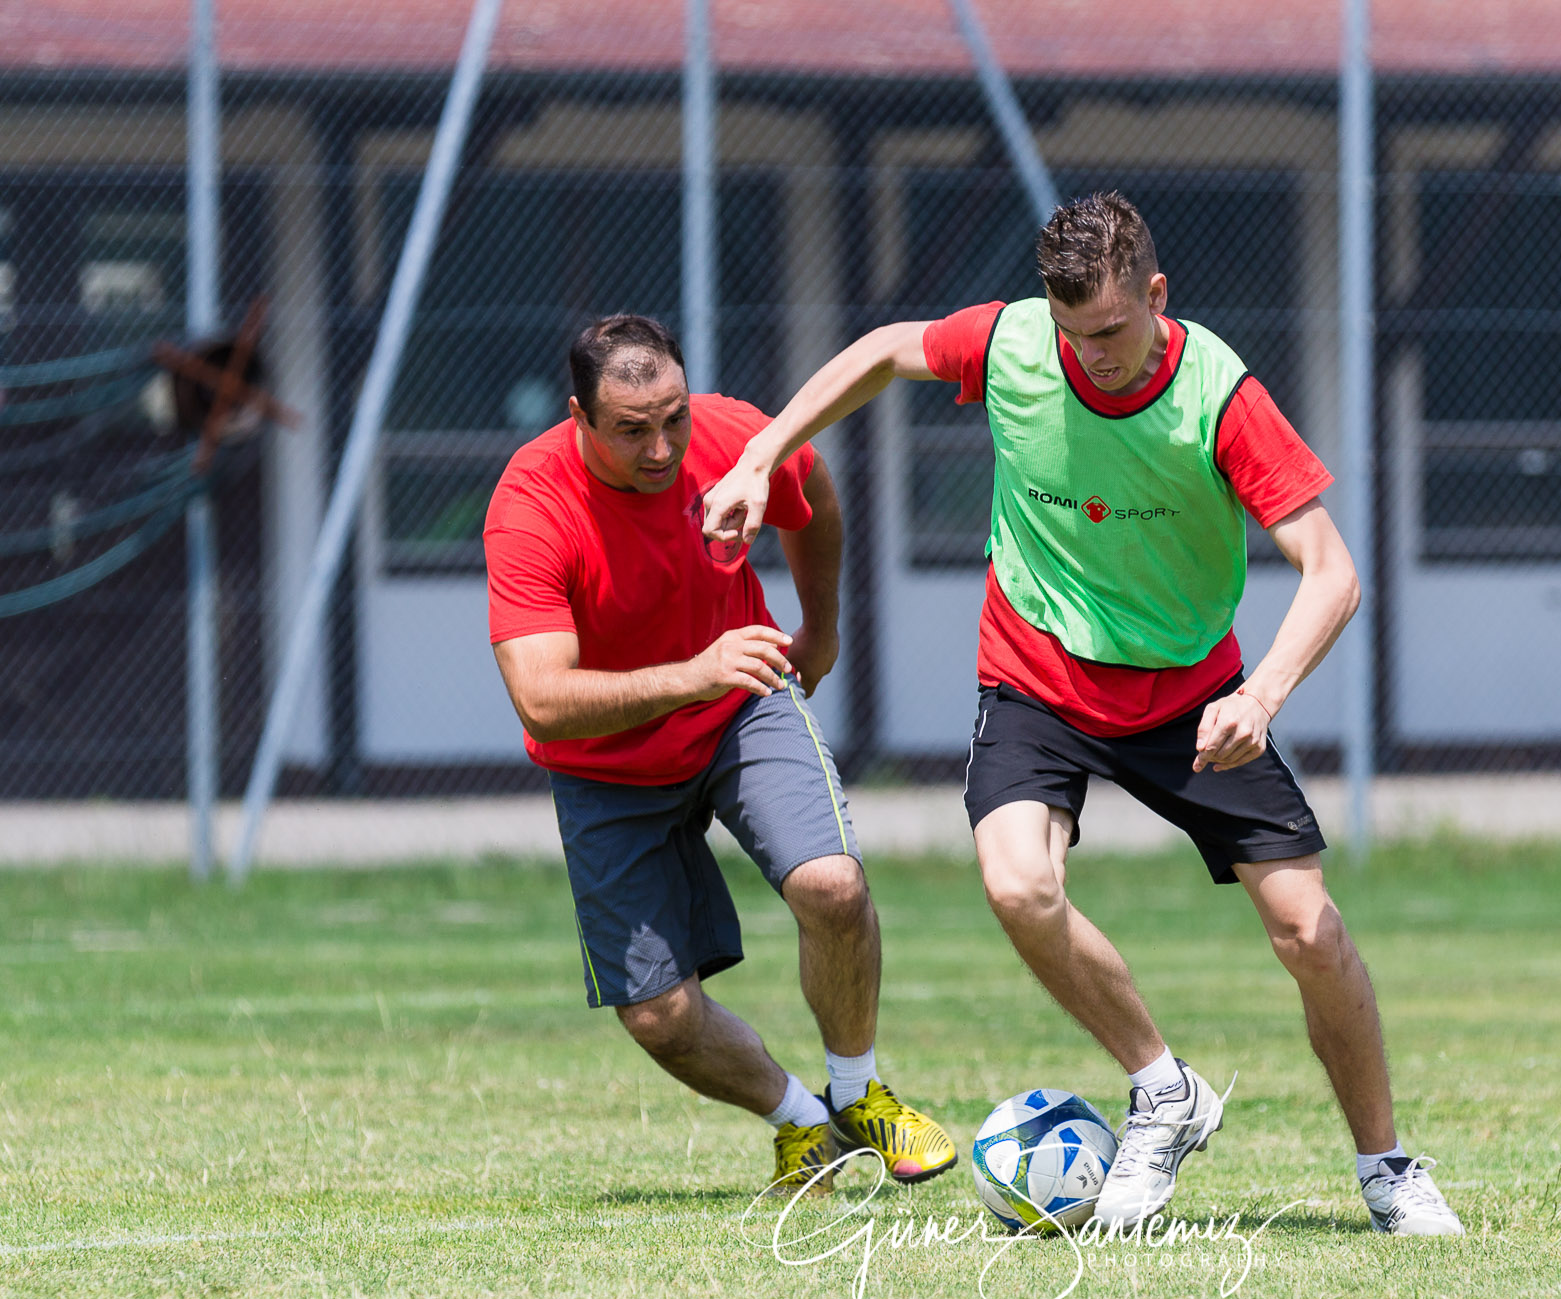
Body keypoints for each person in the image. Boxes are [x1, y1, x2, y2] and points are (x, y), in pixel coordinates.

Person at [701, 193, 1463, 1235]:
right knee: (1018, 884)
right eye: (1071, 334)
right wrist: (759, 454)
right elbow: (883, 350)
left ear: (1154, 295)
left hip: (1192, 691)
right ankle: (1162, 1089)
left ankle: (1386, 1168)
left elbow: (1330, 572)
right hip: (1037, 673)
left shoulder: (1218, 397)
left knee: (1308, 933)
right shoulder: (1014, 344)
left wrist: (1262, 694)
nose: (1090, 355)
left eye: (1109, 330)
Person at [483, 314, 955, 1195]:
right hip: (605, 761)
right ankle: (803, 1123)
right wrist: (693, 673)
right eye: (631, 428)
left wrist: (820, 625)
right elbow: (543, 701)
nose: (661, 448)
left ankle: (860, 1094)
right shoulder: (530, 505)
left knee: (833, 884)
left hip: (741, 708)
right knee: (659, 1014)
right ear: (579, 416)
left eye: (674, 417)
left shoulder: (734, 432)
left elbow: (811, 496)